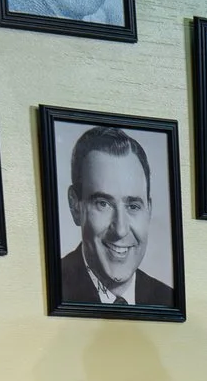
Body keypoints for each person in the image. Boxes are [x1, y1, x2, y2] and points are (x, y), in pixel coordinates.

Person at [56, 125, 173, 309]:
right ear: (75, 205)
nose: (120, 229)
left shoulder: (167, 299)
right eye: (103, 204)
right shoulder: (50, 288)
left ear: (148, 211)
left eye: (133, 206)